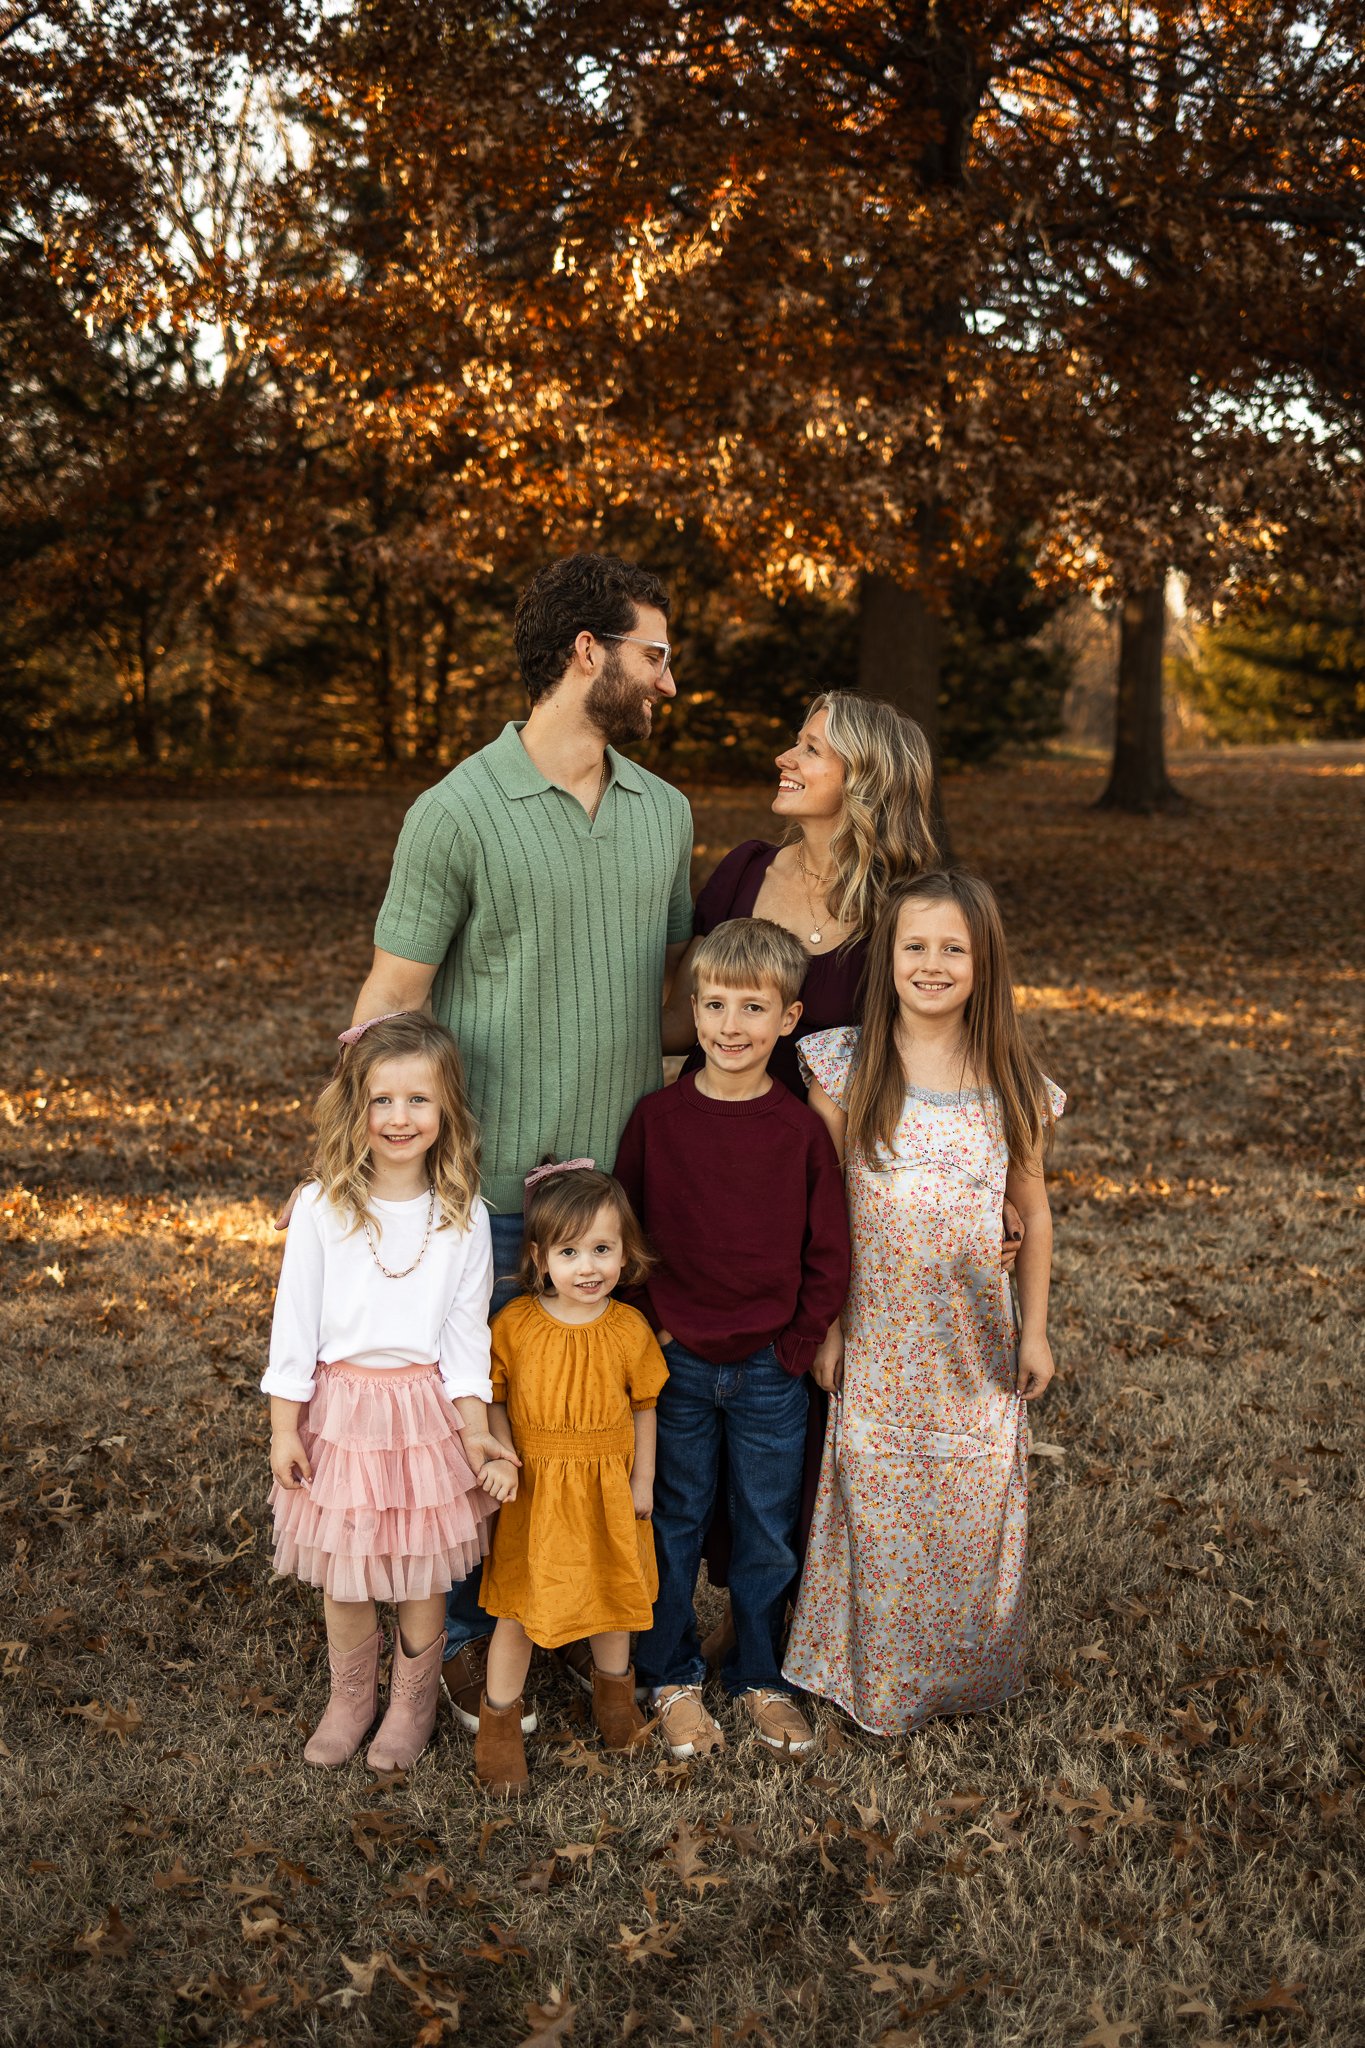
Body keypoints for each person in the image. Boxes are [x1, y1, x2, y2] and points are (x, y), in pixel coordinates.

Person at [344, 553, 694, 1732]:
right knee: (477, 1429)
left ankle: (586, 1624)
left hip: (616, 1208)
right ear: (588, 651)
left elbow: (670, 1001)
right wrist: (358, 1171)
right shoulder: (454, 811)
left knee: (589, 1428)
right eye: (653, 653)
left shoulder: (665, 813)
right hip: (485, 1197)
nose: (667, 680)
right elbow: (392, 1000)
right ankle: (453, 1644)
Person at [783, 870, 1064, 1735]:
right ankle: (878, 1679)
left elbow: (1033, 1209)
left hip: (972, 1337)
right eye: (914, 946)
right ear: (888, 958)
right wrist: (827, 1324)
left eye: (953, 949)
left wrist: (1035, 1330)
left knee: (968, 1497)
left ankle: (961, 1674)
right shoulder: (847, 1064)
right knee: (875, 1497)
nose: (931, 964)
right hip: (876, 1332)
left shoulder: (1010, 1080)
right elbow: (819, 1206)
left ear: (984, 964)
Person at [615, 919, 852, 1761]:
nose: (729, 1025)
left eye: (752, 1008)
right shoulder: (657, 1120)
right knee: (673, 1522)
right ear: (693, 1009)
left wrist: (798, 1342)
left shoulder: (799, 1131)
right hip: (677, 1362)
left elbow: (829, 1250)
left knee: (765, 1529)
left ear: (788, 1019)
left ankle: (760, 1675)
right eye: (714, 1004)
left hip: (768, 1369)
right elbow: (627, 1229)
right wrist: (651, 1323)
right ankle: (670, 1675)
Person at [263, 1013, 515, 1770]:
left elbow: (466, 1339)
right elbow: (293, 1327)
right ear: (356, 1107)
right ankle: (350, 1700)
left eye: (418, 1100)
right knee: (345, 1570)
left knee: (419, 1569)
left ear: (446, 1111)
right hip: (340, 1412)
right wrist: (284, 1428)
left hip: (423, 1413)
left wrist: (475, 1428)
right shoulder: (322, 1208)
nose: (399, 1118)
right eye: (382, 1100)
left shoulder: (463, 1215)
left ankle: (410, 1705)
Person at [471, 1163, 668, 1795]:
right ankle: (499, 1722)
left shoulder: (628, 1329)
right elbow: (494, 1396)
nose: (588, 1267)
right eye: (569, 1252)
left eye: (602, 1250)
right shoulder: (515, 1325)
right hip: (537, 1492)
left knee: (613, 1595)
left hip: (608, 1488)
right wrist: (501, 1456)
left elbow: (645, 1408)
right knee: (520, 1609)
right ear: (539, 1258)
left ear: (625, 1253)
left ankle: (615, 1702)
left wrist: (643, 1480)